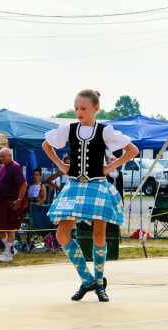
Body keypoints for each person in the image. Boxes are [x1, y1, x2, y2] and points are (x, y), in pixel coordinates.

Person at [42, 89, 139, 302]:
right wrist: (60, 165)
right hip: (75, 185)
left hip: (97, 185)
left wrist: (110, 166)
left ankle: (99, 280)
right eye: (76, 108)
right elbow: (46, 144)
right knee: (62, 234)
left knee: (99, 234)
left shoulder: (104, 131)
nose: (79, 111)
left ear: (96, 109)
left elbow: (132, 150)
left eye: (83, 108)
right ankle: (87, 280)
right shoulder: (68, 129)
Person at [0, 148, 27, 262]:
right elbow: (1, 183)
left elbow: (24, 184)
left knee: (10, 229)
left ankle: (8, 254)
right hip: (0, 201)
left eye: (3, 156)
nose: (0, 158)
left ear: (10, 156)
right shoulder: (2, 166)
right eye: (0, 156)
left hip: (10, 202)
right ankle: (10, 248)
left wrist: (19, 200)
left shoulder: (15, 167)